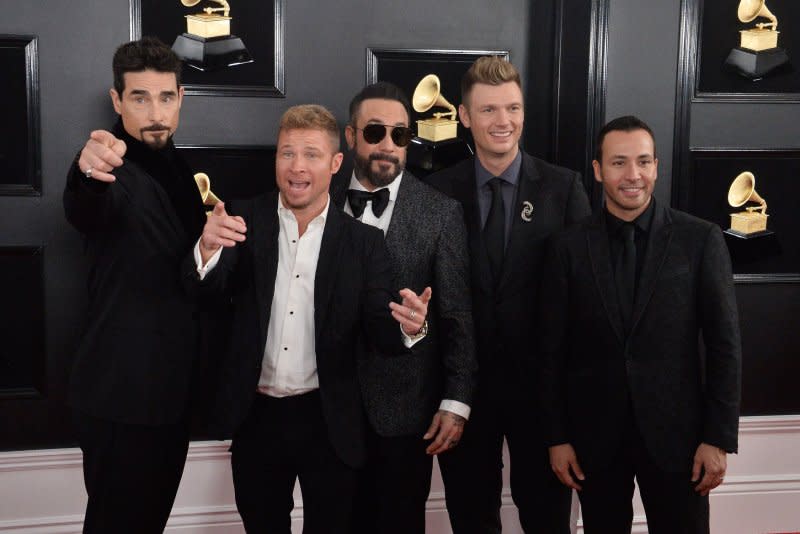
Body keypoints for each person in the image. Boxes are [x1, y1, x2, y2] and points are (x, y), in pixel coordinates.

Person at [189, 104, 431, 533]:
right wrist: (206, 252)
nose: (297, 167)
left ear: (336, 163)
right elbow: (207, 295)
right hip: (255, 417)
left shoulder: (363, 243)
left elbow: (382, 331)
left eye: (312, 155)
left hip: (328, 419)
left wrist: (410, 328)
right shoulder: (241, 219)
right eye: (287, 153)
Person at [539, 115, 741, 533]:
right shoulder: (567, 248)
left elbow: (725, 345)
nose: (633, 175)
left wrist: (717, 438)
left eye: (643, 162)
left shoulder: (700, 240)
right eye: (618, 163)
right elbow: (550, 350)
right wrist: (557, 437)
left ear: (656, 167)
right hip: (594, 440)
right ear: (597, 170)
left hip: (680, 440)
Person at [424, 56, 591, 533]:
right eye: (490, 110)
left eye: (513, 108)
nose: (504, 122)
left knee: (547, 517)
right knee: (471, 516)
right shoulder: (437, 192)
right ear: (463, 116)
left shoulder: (564, 188)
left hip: (543, 391)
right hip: (464, 389)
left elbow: (585, 294)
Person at [62, 37, 207, 533]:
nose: (155, 112)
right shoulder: (109, 164)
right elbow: (87, 208)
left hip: (171, 396)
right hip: (120, 398)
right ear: (117, 100)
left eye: (166, 97)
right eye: (140, 98)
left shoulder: (178, 169)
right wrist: (87, 172)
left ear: (180, 99)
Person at [329, 82, 477, 534]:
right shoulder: (318, 198)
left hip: (406, 410)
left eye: (400, 135)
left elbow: (457, 315)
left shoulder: (441, 213)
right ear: (351, 136)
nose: (388, 145)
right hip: (328, 409)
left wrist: (456, 402)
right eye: (375, 132)